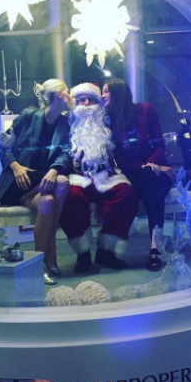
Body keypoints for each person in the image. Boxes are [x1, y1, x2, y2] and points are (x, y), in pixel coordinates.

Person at [0, 79, 72, 285]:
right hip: (17, 183)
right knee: (62, 182)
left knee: (48, 202)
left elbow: (65, 153)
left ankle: (37, 263)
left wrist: (53, 170)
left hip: (41, 186)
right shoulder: (28, 116)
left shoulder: (64, 123)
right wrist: (16, 166)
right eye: (68, 92)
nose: (71, 96)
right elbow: (2, 146)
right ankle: (50, 253)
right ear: (59, 94)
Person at [59, 83, 138, 272]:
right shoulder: (66, 126)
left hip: (106, 175)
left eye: (92, 99)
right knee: (72, 197)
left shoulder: (108, 125)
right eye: (81, 100)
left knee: (125, 194)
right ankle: (83, 253)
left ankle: (106, 252)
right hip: (78, 176)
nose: (87, 104)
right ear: (75, 103)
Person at [102, 78, 175, 270]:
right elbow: (120, 158)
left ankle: (154, 248)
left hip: (157, 170)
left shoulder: (145, 109)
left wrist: (152, 165)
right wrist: (145, 167)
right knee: (145, 189)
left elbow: (159, 143)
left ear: (118, 93)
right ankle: (154, 248)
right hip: (135, 173)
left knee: (153, 187)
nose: (102, 95)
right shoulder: (109, 122)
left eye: (106, 91)